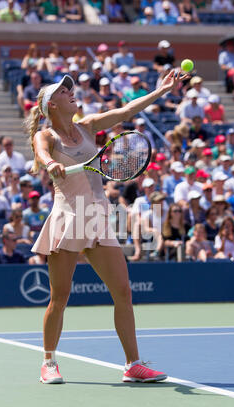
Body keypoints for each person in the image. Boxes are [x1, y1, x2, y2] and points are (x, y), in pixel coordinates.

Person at [25, 68, 187, 384]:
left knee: (123, 292)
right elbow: (42, 153)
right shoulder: (45, 135)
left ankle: (133, 364)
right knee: (60, 296)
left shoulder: (87, 127)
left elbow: (125, 111)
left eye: (70, 88)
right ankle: (49, 363)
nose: (71, 92)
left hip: (97, 216)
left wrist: (160, 92)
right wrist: (51, 164)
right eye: (63, 91)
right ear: (51, 105)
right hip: (68, 216)